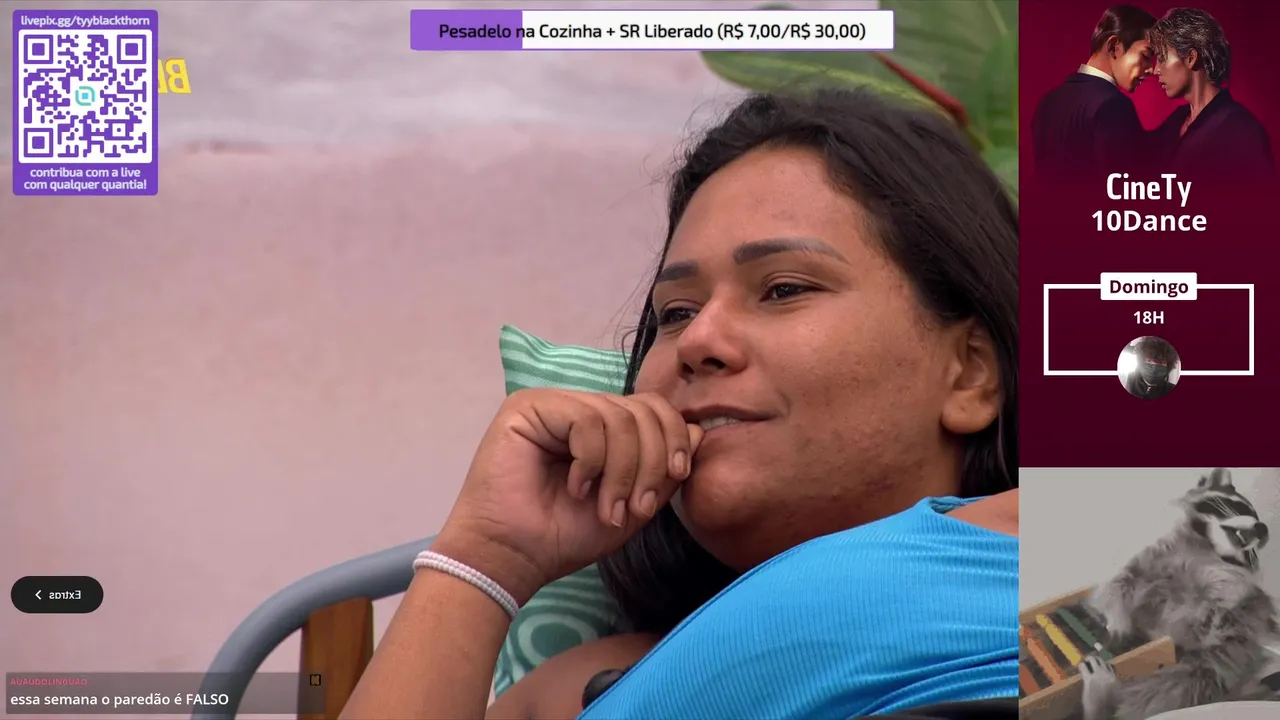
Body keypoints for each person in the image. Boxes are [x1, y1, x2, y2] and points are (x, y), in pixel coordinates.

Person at [338, 89, 1021, 720]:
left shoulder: (1046, 553)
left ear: (970, 375)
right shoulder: (577, 687)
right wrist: (485, 557)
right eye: (675, 313)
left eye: (783, 289)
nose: (697, 341)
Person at [1147, 8, 1276, 185]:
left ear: (1191, 57)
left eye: (1162, 58)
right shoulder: (1177, 120)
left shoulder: (1241, 131)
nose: (1155, 70)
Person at [1031, 5, 1156, 183]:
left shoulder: (1048, 102)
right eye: (1146, 55)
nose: (1151, 69)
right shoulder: (1114, 105)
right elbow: (1121, 188)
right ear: (1114, 47)